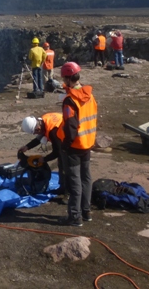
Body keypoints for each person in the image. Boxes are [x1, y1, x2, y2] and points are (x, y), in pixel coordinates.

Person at [56, 62, 97, 227]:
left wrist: (65, 145)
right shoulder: (89, 95)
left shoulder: (70, 101)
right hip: (87, 143)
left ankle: (75, 216)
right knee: (86, 178)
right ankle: (86, 211)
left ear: (67, 78)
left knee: (74, 181)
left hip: (74, 146)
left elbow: (71, 126)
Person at [18, 112, 66, 194]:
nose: (36, 134)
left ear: (38, 128)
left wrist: (44, 159)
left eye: (35, 132)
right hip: (65, 134)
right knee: (62, 165)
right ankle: (62, 188)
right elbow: (40, 137)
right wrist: (27, 146)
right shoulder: (44, 120)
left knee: (65, 165)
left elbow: (57, 152)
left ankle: (68, 193)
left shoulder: (53, 131)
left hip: (71, 143)